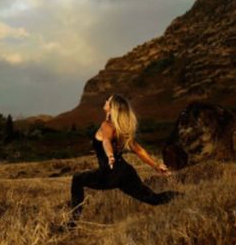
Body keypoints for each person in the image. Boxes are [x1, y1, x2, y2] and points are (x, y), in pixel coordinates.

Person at [65, 93, 179, 224]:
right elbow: (138, 150)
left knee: (77, 179)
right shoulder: (121, 127)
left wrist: (110, 155)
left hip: (109, 173)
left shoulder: (107, 125)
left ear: (112, 107)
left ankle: (72, 223)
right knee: (154, 199)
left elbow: (106, 141)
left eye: (108, 100)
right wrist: (156, 165)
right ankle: (183, 197)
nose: (106, 100)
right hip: (125, 172)